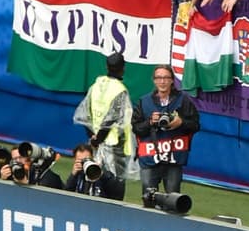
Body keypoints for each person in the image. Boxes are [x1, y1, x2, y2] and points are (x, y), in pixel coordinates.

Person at [132, 63, 200, 209]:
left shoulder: (183, 100)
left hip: (173, 159)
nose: (162, 81)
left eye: (166, 78)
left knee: (173, 201)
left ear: (171, 80)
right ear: (154, 80)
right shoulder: (144, 102)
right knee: (148, 199)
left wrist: (181, 122)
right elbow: (136, 128)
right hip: (150, 158)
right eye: (159, 78)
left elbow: (195, 125)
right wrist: (150, 122)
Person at [79, 50, 134, 198]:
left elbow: (85, 114)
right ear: (123, 67)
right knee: (114, 194)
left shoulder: (96, 85)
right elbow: (112, 118)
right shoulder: (120, 90)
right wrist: (98, 139)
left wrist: (92, 138)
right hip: (115, 149)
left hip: (97, 147)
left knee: (94, 184)